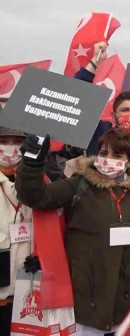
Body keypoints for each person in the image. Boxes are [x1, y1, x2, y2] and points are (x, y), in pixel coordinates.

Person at [15, 129, 130, 335]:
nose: (108, 159)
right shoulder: (81, 184)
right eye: (104, 153)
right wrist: (32, 165)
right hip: (86, 295)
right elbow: (37, 197)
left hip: (124, 296)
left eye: (117, 156)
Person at [74, 43, 130, 164]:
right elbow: (77, 96)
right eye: (125, 110)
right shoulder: (100, 133)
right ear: (114, 115)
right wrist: (96, 60)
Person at [0, 127, 31, 335]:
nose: (11, 148)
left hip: (24, 285)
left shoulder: (38, 181)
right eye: (4, 141)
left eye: (17, 141)